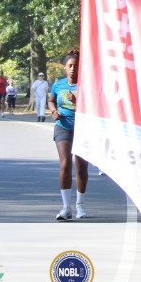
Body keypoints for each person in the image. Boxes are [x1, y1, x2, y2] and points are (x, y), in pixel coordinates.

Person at [47, 50, 88, 220]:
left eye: (76, 66)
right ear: (64, 67)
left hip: (83, 128)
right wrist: (53, 111)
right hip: (63, 126)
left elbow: (93, 107)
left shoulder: (86, 86)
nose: (72, 69)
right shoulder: (58, 85)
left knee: (81, 167)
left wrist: (76, 101)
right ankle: (66, 207)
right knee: (65, 164)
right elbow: (51, 100)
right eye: (70, 66)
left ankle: (80, 205)